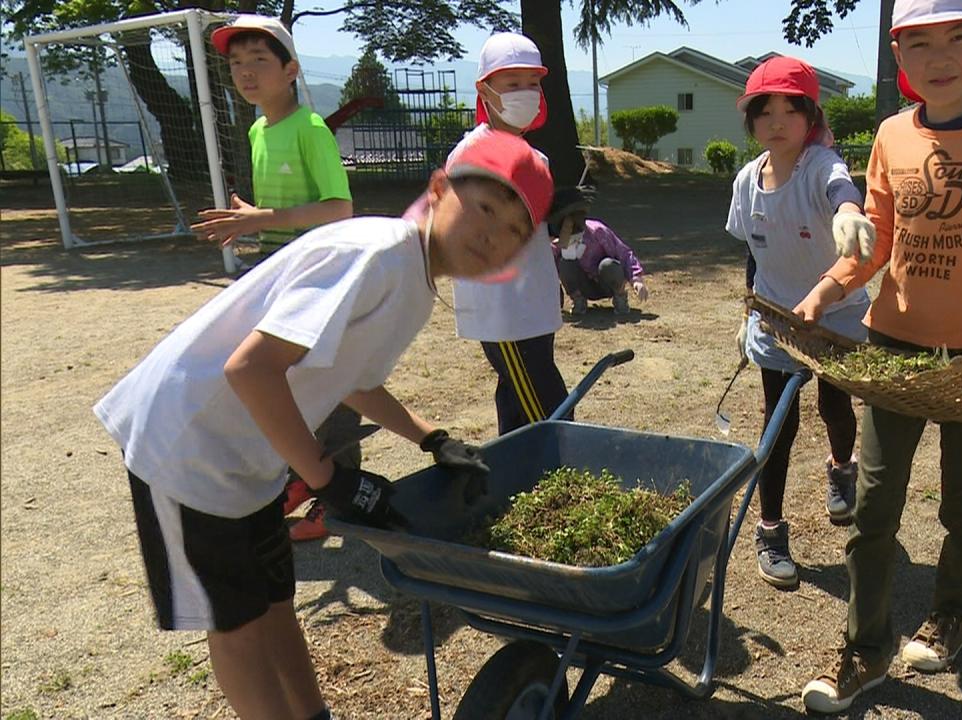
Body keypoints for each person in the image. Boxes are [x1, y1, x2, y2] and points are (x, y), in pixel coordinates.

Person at [93, 131, 552, 720]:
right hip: (187, 446)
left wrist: (430, 436)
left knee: (274, 602)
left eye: (515, 232)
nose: (493, 236)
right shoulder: (377, 254)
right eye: (485, 208)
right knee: (236, 623)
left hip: (251, 452)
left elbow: (351, 377)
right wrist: (326, 476)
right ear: (439, 190)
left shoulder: (413, 279)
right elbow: (252, 368)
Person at [793, 0, 962, 712]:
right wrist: (824, 291)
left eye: (957, 38)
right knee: (874, 504)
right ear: (897, 54)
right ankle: (864, 648)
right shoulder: (890, 133)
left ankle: (954, 610)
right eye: (918, 43)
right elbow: (875, 240)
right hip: (896, 350)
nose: (939, 57)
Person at [194, 15, 360, 542]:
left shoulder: (309, 129)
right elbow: (284, 209)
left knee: (334, 390)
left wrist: (260, 219)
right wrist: (255, 214)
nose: (245, 73)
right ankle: (306, 482)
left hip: (317, 281)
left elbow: (340, 208)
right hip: (277, 277)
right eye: (236, 63)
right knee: (287, 388)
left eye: (258, 61)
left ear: (290, 69)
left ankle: (337, 505)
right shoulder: (258, 128)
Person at [724, 55, 876, 590]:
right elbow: (754, 254)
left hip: (835, 314)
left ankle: (841, 469)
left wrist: (849, 212)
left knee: (836, 403)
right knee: (777, 426)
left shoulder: (820, 165)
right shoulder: (747, 181)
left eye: (791, 109)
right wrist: (749, 314)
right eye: (764, 111)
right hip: (777, 319)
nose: (777, 121)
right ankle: (769, 529)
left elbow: (841, 189)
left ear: (810, 117)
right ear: (751, 121)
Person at [408, 32, 570, 435]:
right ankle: (559, 477)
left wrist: (562, 219)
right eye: (512, 84)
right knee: (550, 415)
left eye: (532, 83)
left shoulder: (536, 156)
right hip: (505, 312)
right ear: (484, 90)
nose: (525, 93)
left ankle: (511, 485)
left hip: (532, 304)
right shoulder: (470, 154)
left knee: (516, 405)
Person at [546, 186, 649, 315]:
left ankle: (620, 296)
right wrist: (554, 293)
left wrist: (636, 279)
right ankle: (578, 300)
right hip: (583, 286)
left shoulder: (598, 231)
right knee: (565, 263)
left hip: (606, 282)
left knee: (608, 264)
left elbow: (623, 252)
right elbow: (550, 270)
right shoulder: (556, 244)